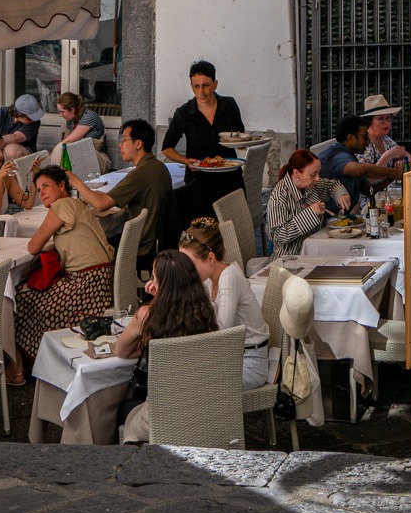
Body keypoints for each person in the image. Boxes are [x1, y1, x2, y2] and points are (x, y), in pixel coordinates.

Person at [10, 163, 115, 375]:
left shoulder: (62, 206)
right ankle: (35, 361)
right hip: (103, 282)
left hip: (85, 284)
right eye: (39, 190)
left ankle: (20, 366)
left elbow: (33, 247)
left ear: (61, 186)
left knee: (20, 297)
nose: (42, 193)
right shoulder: (77, 204)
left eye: (46, 186)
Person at [114, 250, 220, 442]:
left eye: (155, 277)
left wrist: (154, 302)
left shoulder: (148, 315)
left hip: (162, 415)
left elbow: (121, 350)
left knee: (121, 409)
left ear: (162, 284)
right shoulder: (205, 311)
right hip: (204, 410)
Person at [179, 217, 271, 388]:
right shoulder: (208, 278)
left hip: (249, 364)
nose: (186, 270)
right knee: (178, 372)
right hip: (230, 357)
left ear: (211, 258)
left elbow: (222, 331)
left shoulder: (229, 276)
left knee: (186, 383)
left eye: (190, 264)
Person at [70, 119, 174, 252]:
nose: (120, 145)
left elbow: (101, 205)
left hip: (139, 245)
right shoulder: (158, 166)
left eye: (124, 140)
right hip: (155, 241)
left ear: (138, 144)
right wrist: (89, 193)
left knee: (85, 243)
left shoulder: (140, 173)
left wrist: (75, 181)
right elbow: (112, 197)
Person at [265, 150, 351, 257]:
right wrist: (311, 213)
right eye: (313, 174)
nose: (317, 178)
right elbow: (278, 236)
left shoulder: (310, 185)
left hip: (317, 251)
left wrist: (341, 195)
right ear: (296, 173)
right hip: (291, 259)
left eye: (318, 173)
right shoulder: (279, 198)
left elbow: (332, 185)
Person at [161, 60, 245, 169]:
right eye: (196, 86)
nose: (201, 92)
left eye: (206, 85)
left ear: (215, 84)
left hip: (230, 175)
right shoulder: (184, 112)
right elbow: (167, 148)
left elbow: (241, 140)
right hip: (198, 178)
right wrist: (186, 161)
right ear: (191, 86)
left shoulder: (229, 105)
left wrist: (246, 144)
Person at [318, 114, 401, 201]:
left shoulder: (351, 156)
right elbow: (362, 170)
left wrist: (389, 179)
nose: (369, 141)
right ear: (350, 138)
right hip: (332, 214)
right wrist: (396, 173)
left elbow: (367, 190)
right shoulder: (336, 156)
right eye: (365, 137)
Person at [361, 93, 411, 169]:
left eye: (388, 118)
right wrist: (387, 156)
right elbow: (368, 176)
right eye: (381, 119)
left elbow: (407, 155)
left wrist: (404, 163)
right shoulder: (363, 142)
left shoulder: (386, 140)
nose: (386, 122)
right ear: (369, 122)